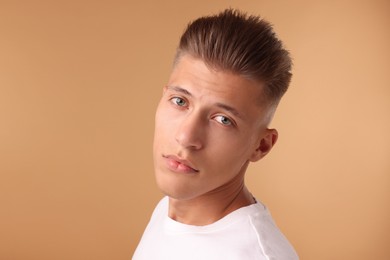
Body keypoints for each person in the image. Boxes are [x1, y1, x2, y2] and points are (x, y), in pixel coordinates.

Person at [133, 8, 299, 260]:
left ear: (261, 146)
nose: (186, 137)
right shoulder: (170, 210)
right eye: (179, 101)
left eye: (223, 120)